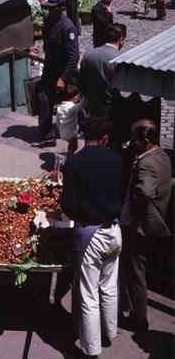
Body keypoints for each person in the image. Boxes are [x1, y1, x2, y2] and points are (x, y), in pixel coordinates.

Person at [62, 116, 123, 358]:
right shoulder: (117, 159)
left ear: (83, 136)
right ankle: (110, 333)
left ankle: (91, 349)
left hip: (91, 235)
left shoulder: (74, 163)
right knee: (109, 287)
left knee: (88, 294)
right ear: (105, 137)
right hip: (115, 232)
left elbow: (69, 205)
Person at [121, 119, 172, 331]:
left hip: (140, 227)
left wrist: (133, 218)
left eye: (135, 139)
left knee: (136, 272)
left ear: (146, 140)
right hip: (154, 223)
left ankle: (139, 317)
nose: (131, 143)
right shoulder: (162, 156)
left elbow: (144, 192)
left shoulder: (147, 164)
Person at [32, 0, 79, 148]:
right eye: (49, 7)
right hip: (50, 67)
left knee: (70, 105)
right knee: (43, 97)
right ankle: (47, 135)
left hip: (65, 71)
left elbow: (74, 57)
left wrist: (63, 78)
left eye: (53, 8)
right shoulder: (47, 20)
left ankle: (78, 133)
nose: (50, 10)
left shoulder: (68, 27)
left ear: (61, 7)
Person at [77, 23, 126, 119]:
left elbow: (80, 83)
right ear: (121, 40)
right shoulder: (120, 60)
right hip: (112, 110)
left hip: (91, 108)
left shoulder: (88, 55)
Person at [56, 84, 85, 153]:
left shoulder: (61, 107)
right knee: (75, 146)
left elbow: (57, 120)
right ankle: (70, 157)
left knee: (71, 144)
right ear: (74, 98)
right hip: (70, 133)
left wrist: (58, 128)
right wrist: (85, 98)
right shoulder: (71, 107)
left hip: (62, 132)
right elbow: (81, 106)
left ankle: (69, 153)